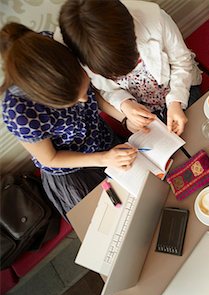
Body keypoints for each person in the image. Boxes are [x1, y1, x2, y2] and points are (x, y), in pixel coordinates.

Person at [0, 22, 139, 218]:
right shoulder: (18, 112)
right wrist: (104, 159)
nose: (84, 100)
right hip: (74, 172)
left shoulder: (59, 47)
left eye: (84, 89)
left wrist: (124, 118)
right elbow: (50, 158)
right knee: (113, 220)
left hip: (104, 141)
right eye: (73, 101)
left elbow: (93, 95)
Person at [57, 0, 202, 136]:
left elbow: (182, 61)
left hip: (180, 87)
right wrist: (124, 104)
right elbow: (103, 89)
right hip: (141, 108)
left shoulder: (155, 19)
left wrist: (176, 101)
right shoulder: (74, 52)